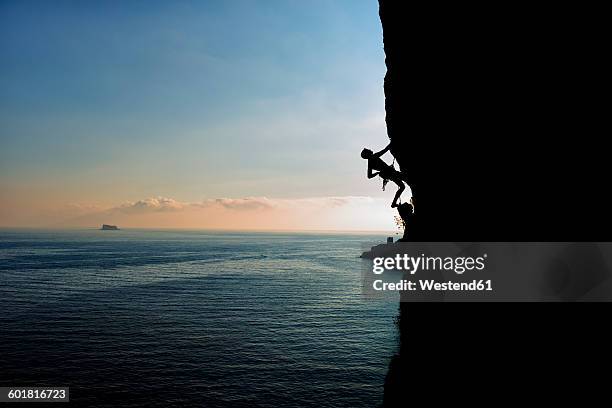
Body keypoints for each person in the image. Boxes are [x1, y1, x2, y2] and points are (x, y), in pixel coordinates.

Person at [361, 143, 413, 208]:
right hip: (391, 172)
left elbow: (369, 176)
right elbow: (385, 150)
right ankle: (394, 203)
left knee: (402, 186)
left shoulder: (369, 164)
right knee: (408, 180)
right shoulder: (374, 156)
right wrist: (392, 142)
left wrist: (377, 173)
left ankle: (394, 203)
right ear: (367, 154)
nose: (370, 149)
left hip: (389, 174)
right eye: (368, 150)